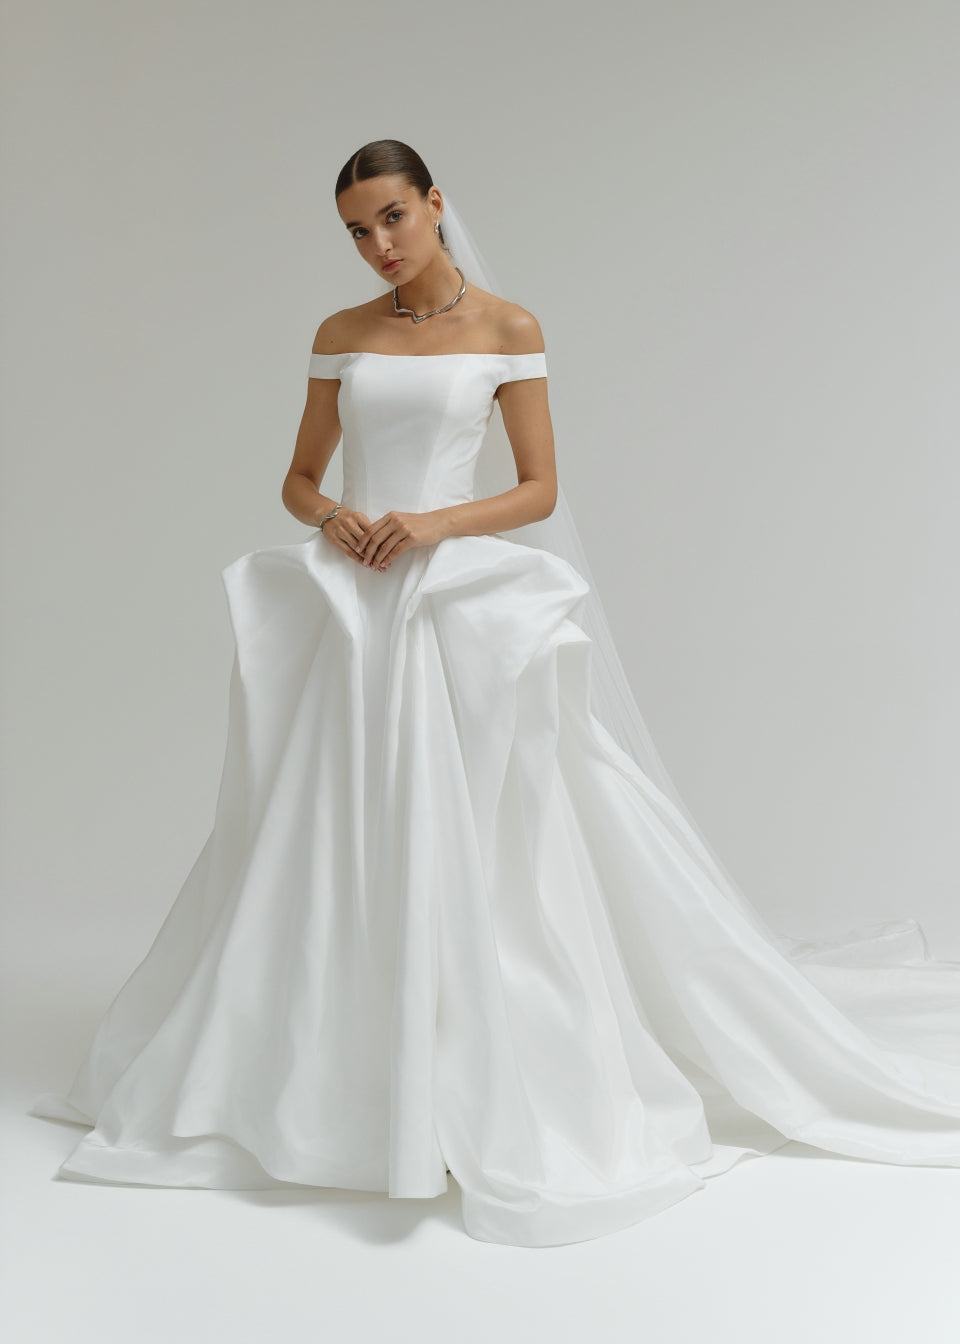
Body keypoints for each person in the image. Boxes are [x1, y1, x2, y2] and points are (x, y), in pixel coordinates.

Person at [30, 139, 960, 1249]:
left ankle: (481, 1058)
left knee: (486, 827)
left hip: (453, 597)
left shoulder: (509, 328)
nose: (377, 246)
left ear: (435, 204)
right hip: (354, 603)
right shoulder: (340, 335)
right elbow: (297, 476)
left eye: (391, 218)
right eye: (356, 232)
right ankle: (330, 1075)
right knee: (323, 828)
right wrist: (336, 519)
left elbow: (538, 488)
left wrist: (426, 523)